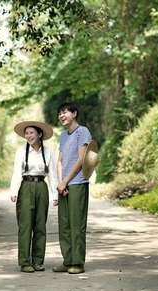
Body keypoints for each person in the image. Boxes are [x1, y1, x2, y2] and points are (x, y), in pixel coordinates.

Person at [9, 121, 58, 273]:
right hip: (26, 186)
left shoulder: (48, 152)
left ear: (40, 134)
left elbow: (52, 174)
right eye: (26, 133)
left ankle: (38, 261)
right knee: (25, 225)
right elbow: (17, 172)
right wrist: (14, 191)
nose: (28, 135)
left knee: (40, 226)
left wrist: (55, 194)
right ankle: (25, 262)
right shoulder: (21, 151)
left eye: (31, 132)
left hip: (41, 187)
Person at [53, 102, 93, 275]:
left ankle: (78, 262)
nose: (62, 116)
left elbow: (81, 160)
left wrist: (66, 181)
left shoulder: (82, 132)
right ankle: (67, 260)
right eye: (60, 113)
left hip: (78, 183)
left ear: (74, 113)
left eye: (65, 112)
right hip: (65, 185)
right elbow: (60, 161)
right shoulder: (63, 135)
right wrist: (61, 183)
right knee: (64, 224)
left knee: (76, 224)